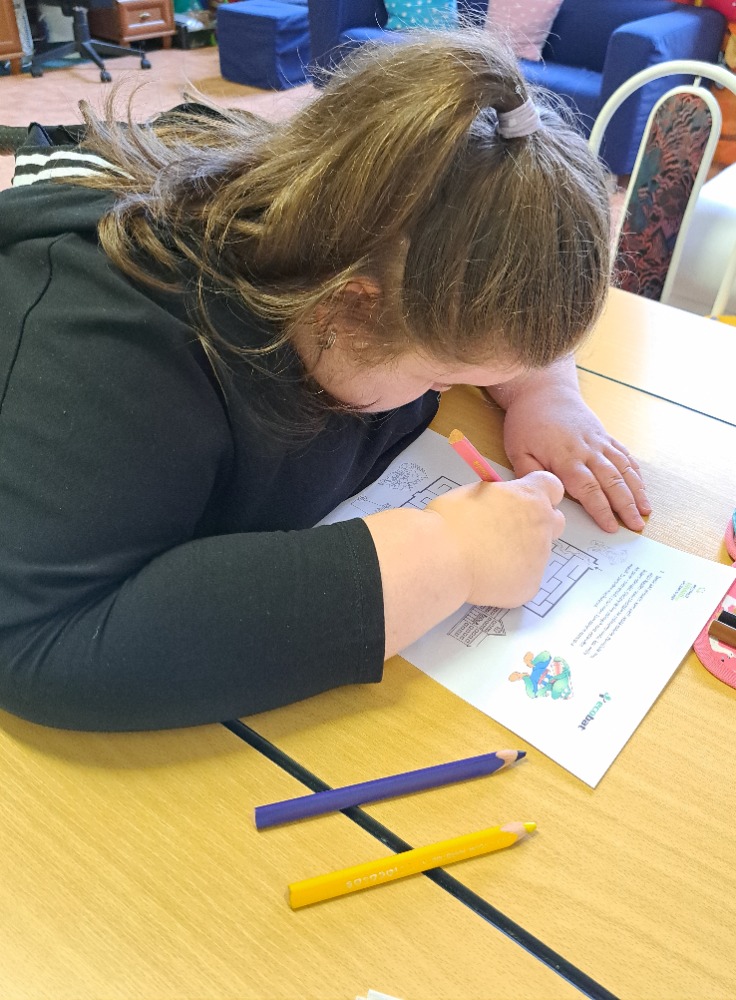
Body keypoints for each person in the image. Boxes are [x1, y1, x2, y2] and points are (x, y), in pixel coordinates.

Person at [0, 29, 650, 732]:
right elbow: (39, 637)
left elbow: (492, 294)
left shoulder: (382, 247)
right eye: (444, 374)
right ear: (349, 307)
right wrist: (448, 558)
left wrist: (544, 390)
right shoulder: (115, 349)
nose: (459, 387)